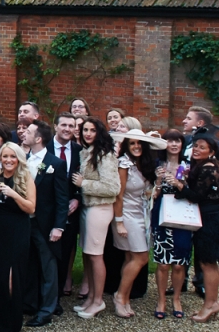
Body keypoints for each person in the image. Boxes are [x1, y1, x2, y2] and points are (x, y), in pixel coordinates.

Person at [170, 135, 219, 322]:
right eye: (196, 146)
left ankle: (211, 304)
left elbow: (196, 196)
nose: (197, 150)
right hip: (210, 218)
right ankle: (211, 303)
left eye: (202, 147)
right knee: (207, 263)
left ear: (211, 152)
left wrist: (179, 185)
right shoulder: (203, 166)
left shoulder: (208, 168)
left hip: (212, 220)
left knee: (208, 263)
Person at [0, 143, 36, 332]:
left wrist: (13, 194)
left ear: (18, 159)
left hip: (17, 230)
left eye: (13, 157)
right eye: (5, 156)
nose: (9, 160)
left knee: (11, 277)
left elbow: (31, 208)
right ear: (0, 158)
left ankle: (11, 320)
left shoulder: (25, 177)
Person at [109, 129, 164, 318]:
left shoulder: (143, 164)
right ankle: (119, 296)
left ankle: (125, 298)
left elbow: (147, 191)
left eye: (139, 143)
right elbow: (118, 195)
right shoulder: (124, 164)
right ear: (127, 145)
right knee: (141, 258)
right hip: (126, 214)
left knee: (130, 257)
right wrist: (119, 222)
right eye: (132, 143)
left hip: (142, 213)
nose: (136, 146)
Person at [21, 120, 69, 328]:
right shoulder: (23, 160)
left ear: (38, 138)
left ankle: (47, 310)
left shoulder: (55, 164)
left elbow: (61, 198)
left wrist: (58, 226)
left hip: (45, 224)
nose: (24, 133)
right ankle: (30, 303)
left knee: (48, 267)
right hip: (25, 223)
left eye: (28, 131)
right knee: (29, 264)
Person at [72, 118, 120, 319]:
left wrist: (84, 184)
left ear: (99, 132)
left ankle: (98, 301)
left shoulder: (105, 155)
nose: (88, 133)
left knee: (96, 255)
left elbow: (112, 188)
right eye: (85, 130)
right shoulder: (87, 152)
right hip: (88, 207)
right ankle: (91, 298)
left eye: (92, 130)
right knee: (89, 254)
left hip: (100, 208)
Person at [150, 130, 191, 319]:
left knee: (179, 263)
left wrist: (179, 183)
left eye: (177, 141)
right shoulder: (157, 164)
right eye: (170, 141)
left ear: (182, 144)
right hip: (161, 214)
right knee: (163, 263)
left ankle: (176, 298)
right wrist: (158, 181)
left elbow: (194, 193)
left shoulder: (188, 165)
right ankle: (161, 300)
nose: (174, 145)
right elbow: (151, 195)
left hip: (182, 215)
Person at [52, 114, 83, 299]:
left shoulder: (80, 151)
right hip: (48, 209)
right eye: (63, 125)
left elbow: (85, 178)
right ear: (55, 126)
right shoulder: (45, 147)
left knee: (65, 253)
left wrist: (77, 198)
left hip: (71, 209)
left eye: (71, 126)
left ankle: (57, 296)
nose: (67, 129)